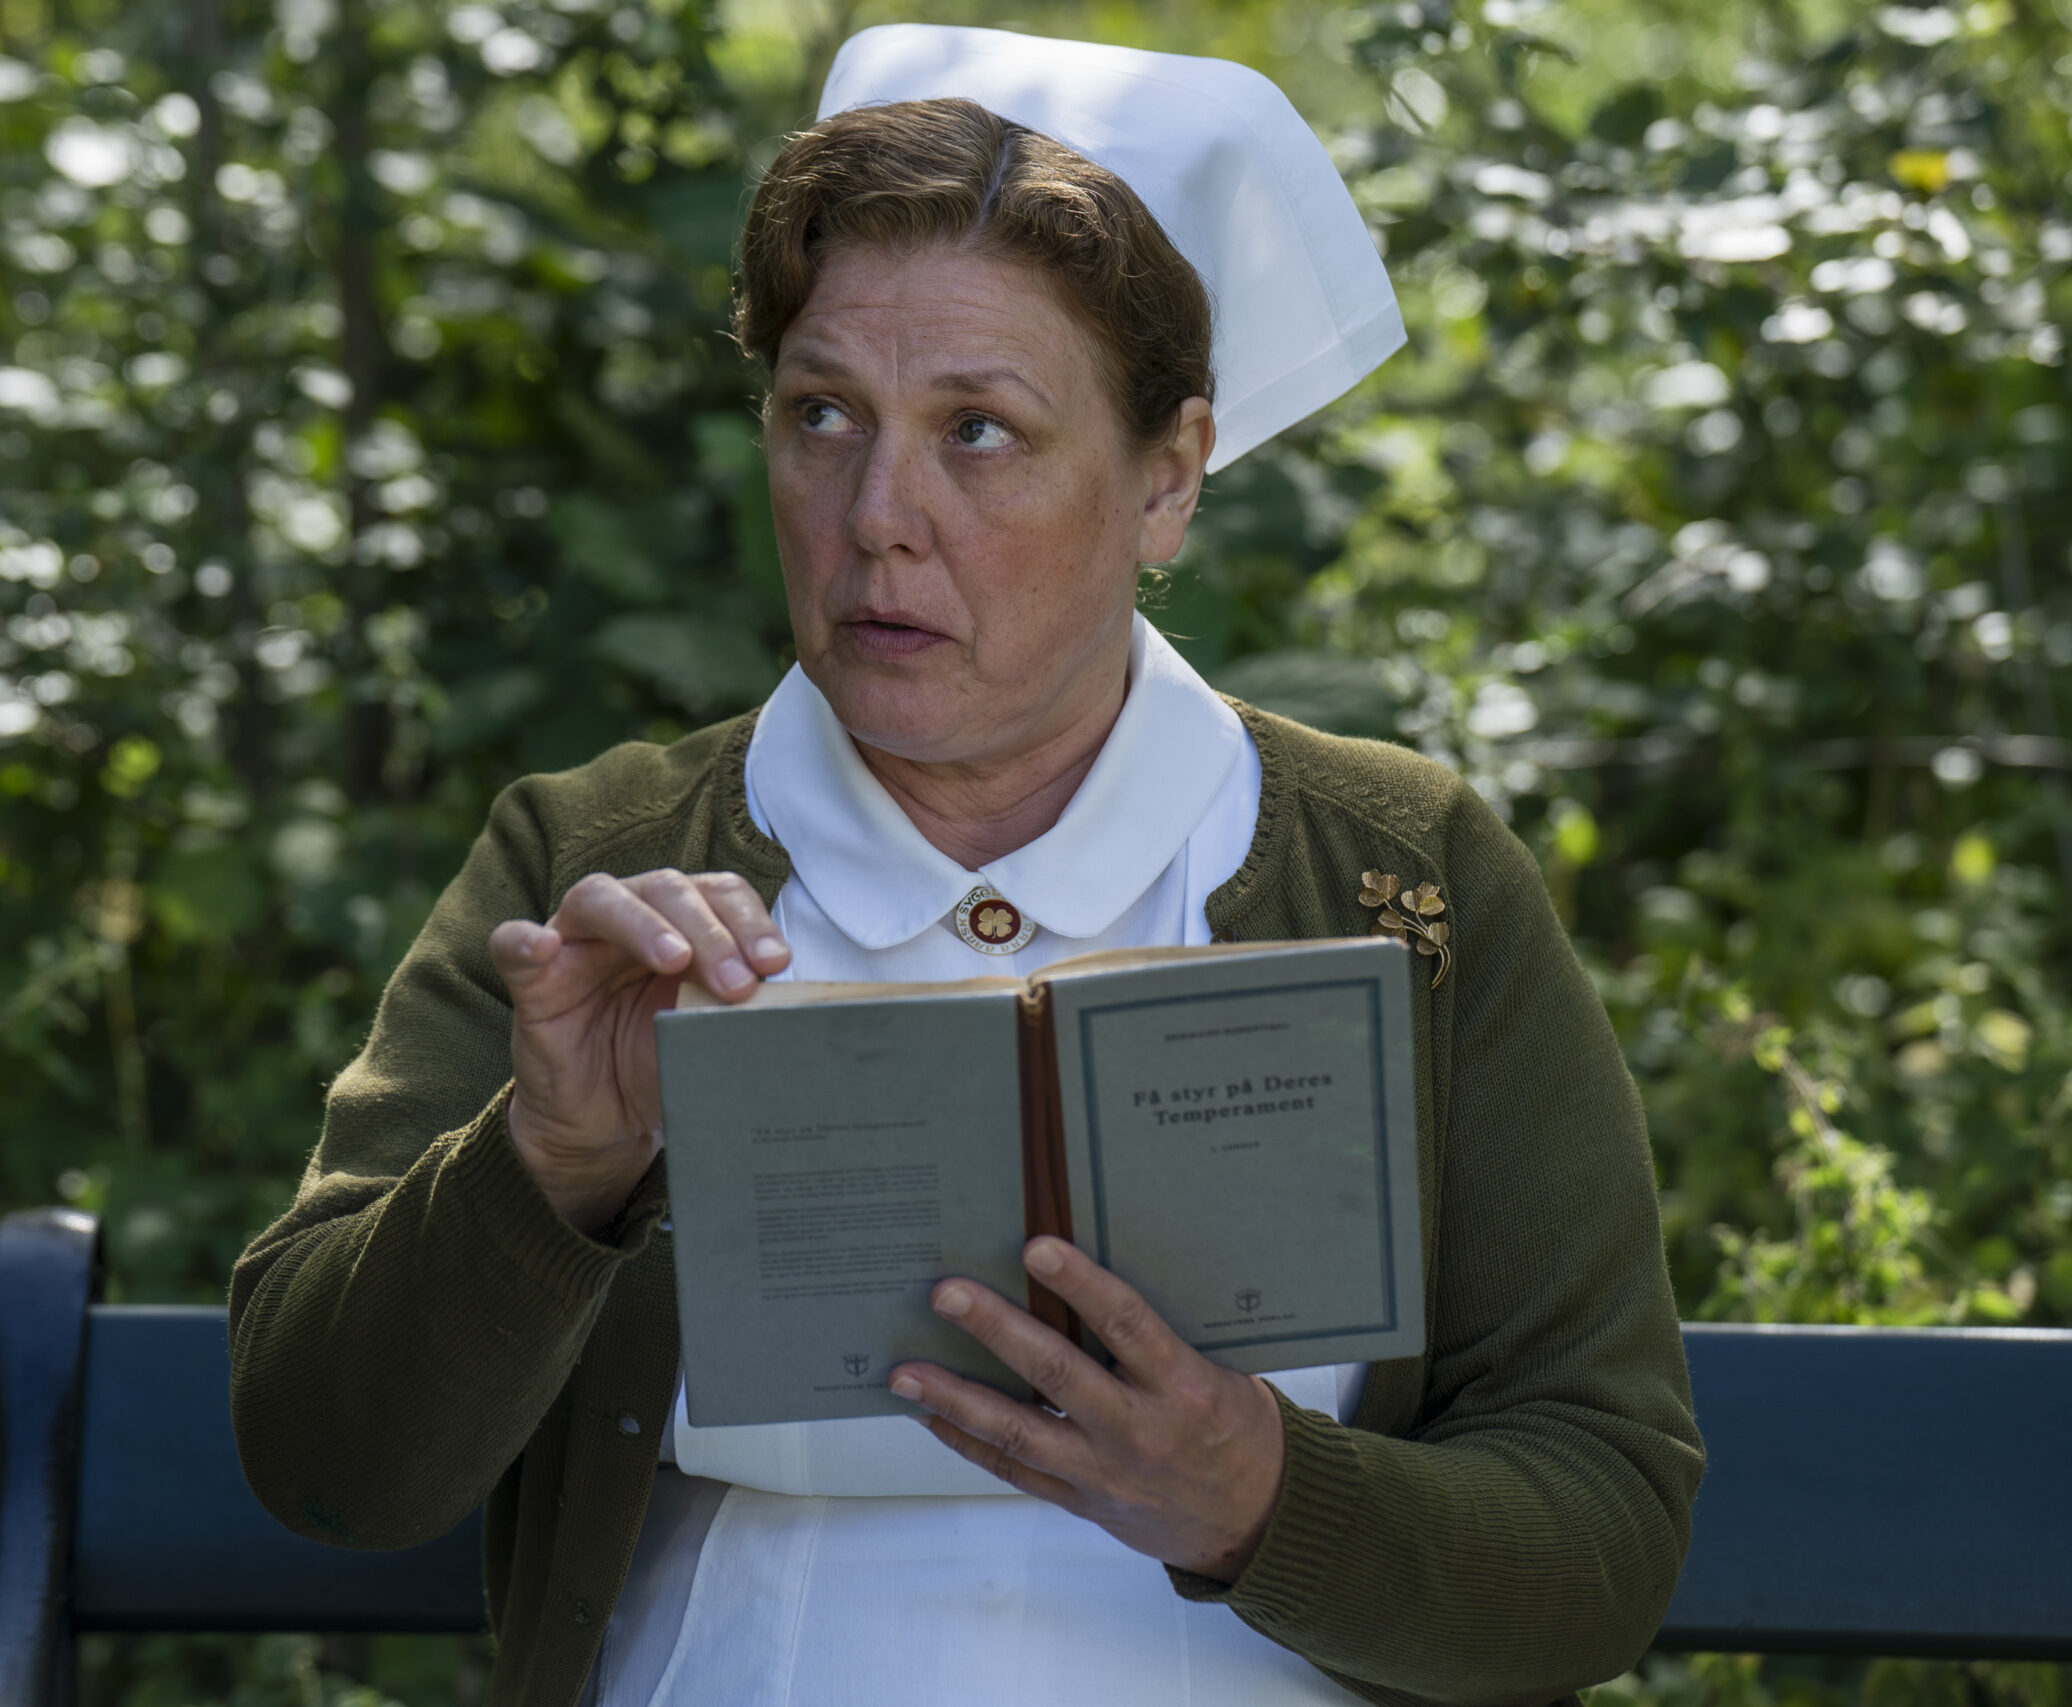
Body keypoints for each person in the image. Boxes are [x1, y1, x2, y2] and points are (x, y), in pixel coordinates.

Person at [229, 25, 1703, 1707]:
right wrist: (550, 1164)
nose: (877, 512)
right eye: (823, 415)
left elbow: (1605, 1536)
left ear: (1168, 478)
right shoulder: (600, 871)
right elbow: (323, 1470)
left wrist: (1262, 1498)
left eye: (980, 430)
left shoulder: (1401, 878)